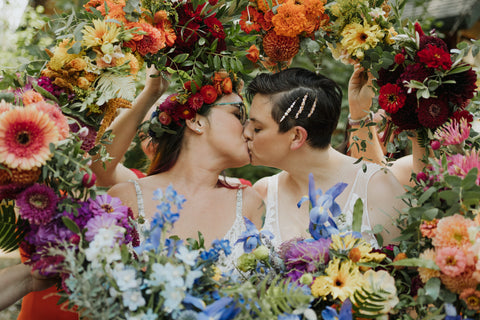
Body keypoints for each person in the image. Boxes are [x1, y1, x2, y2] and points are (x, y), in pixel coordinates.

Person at [107, 70, 264, 270]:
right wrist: (151, 91)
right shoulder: (125, 197)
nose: (250, 128)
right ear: (196, 120)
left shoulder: (251, 202)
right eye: (238, 114)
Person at [243, 67, 407, 248]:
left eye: (257, 128)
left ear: (297, 136)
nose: (246, 134)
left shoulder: (377, 187)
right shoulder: (263, 194)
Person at [346, 64, 426, 188]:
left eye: (383, 127)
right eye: (373, 126)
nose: (375, 133)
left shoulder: (409, 169)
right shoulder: (333, 163)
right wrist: (359, 112)